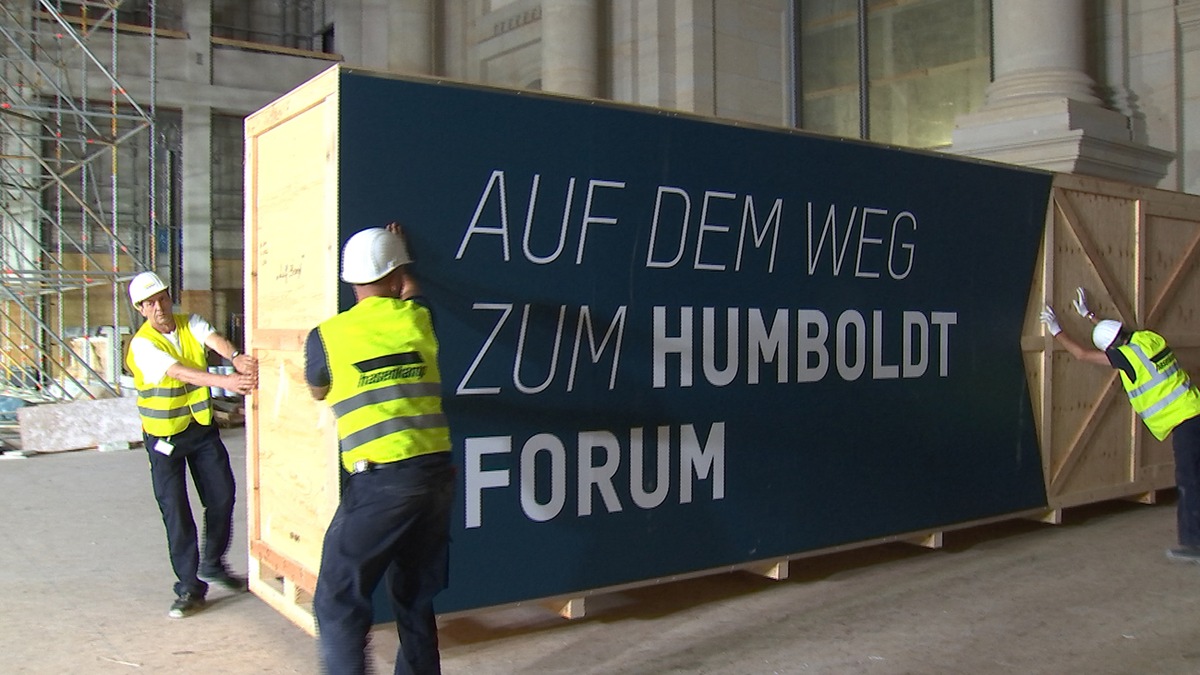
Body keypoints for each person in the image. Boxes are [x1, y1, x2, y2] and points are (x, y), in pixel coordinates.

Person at [305, 224, 455, 675]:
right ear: (396, 277)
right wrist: (402, 257)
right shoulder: (419, 319)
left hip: (381, 484)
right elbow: (414, 290)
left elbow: (317, 388)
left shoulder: (327, 337)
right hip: (436, 479)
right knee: (414, 597)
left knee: (336, 599)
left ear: (351, 281)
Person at [125, 271, 258, 618]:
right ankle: (189, 587)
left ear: (170, 297)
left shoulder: (189, 323)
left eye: (162, 298)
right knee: (176, 512)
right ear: (140, 309)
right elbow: (180, 372)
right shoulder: (142, 344)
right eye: (150, 303)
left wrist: (236, 356)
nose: (159, 307)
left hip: (200, 429)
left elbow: (213, 338)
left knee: (222, 495)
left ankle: (212, 562)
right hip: (163, 437)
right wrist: (225, 380)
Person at [1041, 287, 1200, 563]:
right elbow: (1117, 334)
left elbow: (1081, 354)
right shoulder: (1148, 338)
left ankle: (1194, 545)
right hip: (1194, 409)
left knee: (1190, 482)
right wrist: (1090, 316)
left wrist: (1057, 330)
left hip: (1184, 422)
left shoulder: (1127, 357)